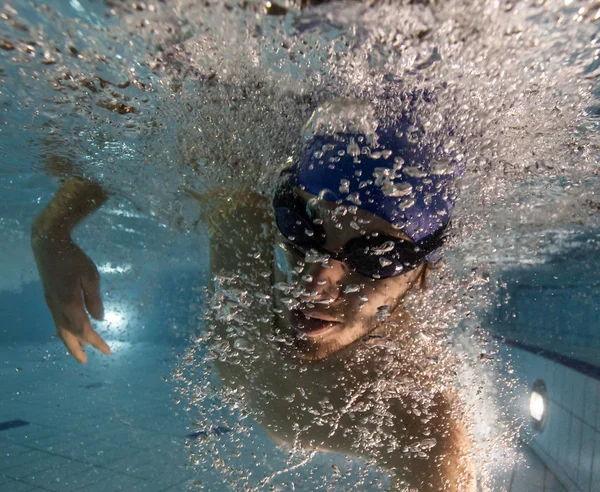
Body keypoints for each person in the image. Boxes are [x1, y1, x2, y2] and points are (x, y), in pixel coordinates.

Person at [30, 98, 473, 490]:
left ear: (420, 274)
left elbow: (444, 464)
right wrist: (50, 231)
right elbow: (142, 114)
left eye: (375, 257)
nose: (314, 281)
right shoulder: (242, 200)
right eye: (301, 226)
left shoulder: (417, 421)